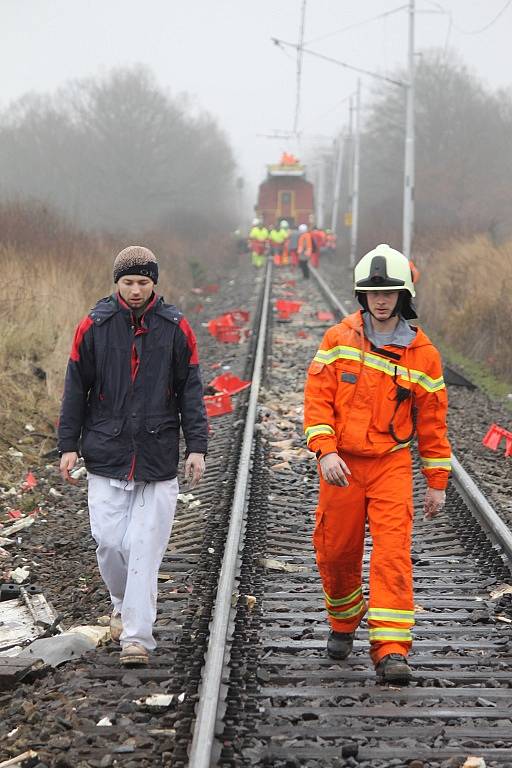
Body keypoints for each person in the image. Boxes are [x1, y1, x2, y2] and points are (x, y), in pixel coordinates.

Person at [304, 244, 451, 685]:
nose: (381, 299)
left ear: (403, 296)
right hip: (342, 466)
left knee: (392, 556)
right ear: (361, 296)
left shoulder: (423, 355)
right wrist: (326, 450)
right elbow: (317, 401)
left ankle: (390, 650)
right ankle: (344, 621)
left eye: (389, 292)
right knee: (336, 551)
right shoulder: (337, 339)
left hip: (391, 466)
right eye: (372, 292)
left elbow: (433, 422)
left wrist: (436, 481)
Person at [58, 246, 208, 668]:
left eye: (144, 282)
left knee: (143, 547)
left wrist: (197, 446)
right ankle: (123, 602)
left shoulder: (176, 327)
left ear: (154, 283)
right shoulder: (94, 325)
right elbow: (75, 388)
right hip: (105, 450)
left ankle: (137, 638)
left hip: (158, 456)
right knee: (109, 543)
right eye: (129, 282)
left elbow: (191, 390)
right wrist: (67, 445)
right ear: (117, 283)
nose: (137, 290)